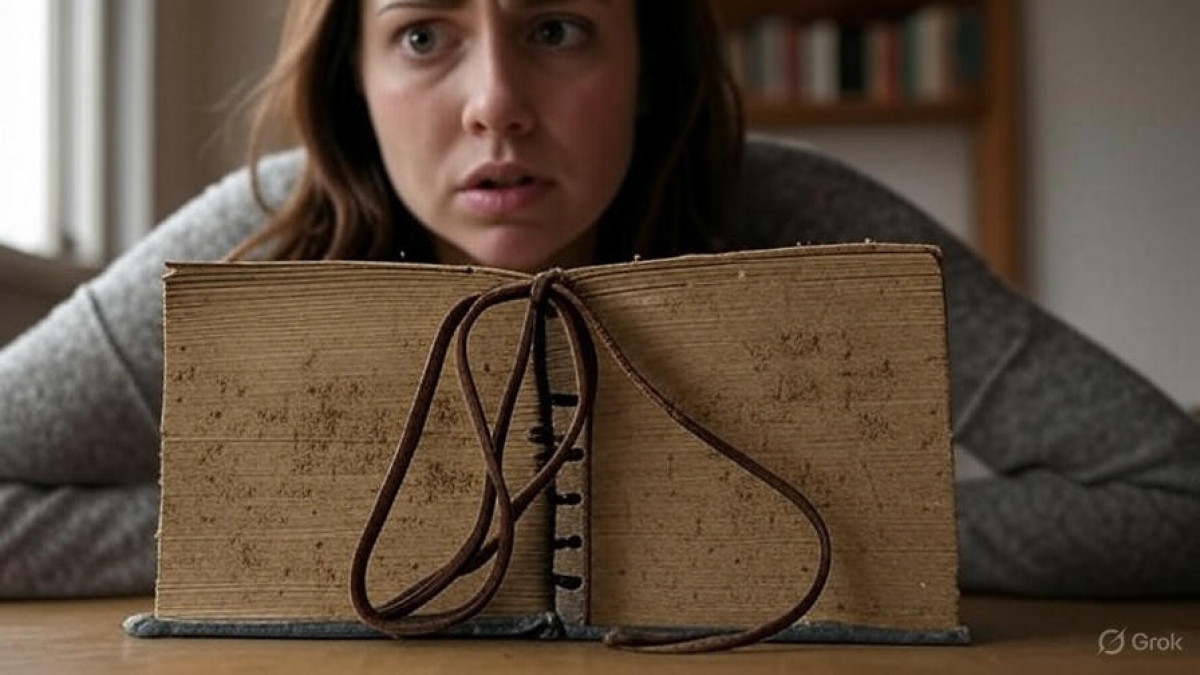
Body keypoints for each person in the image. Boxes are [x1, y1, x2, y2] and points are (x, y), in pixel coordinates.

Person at [1, 0, 1198, 603]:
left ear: (649, 64)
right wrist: (302, 536)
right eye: (422, 36)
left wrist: (700, 539)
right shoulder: (259, 238)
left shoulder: (812, 217)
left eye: (558, 28)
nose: (495, 102)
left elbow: (1173, 499)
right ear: (352, 81)